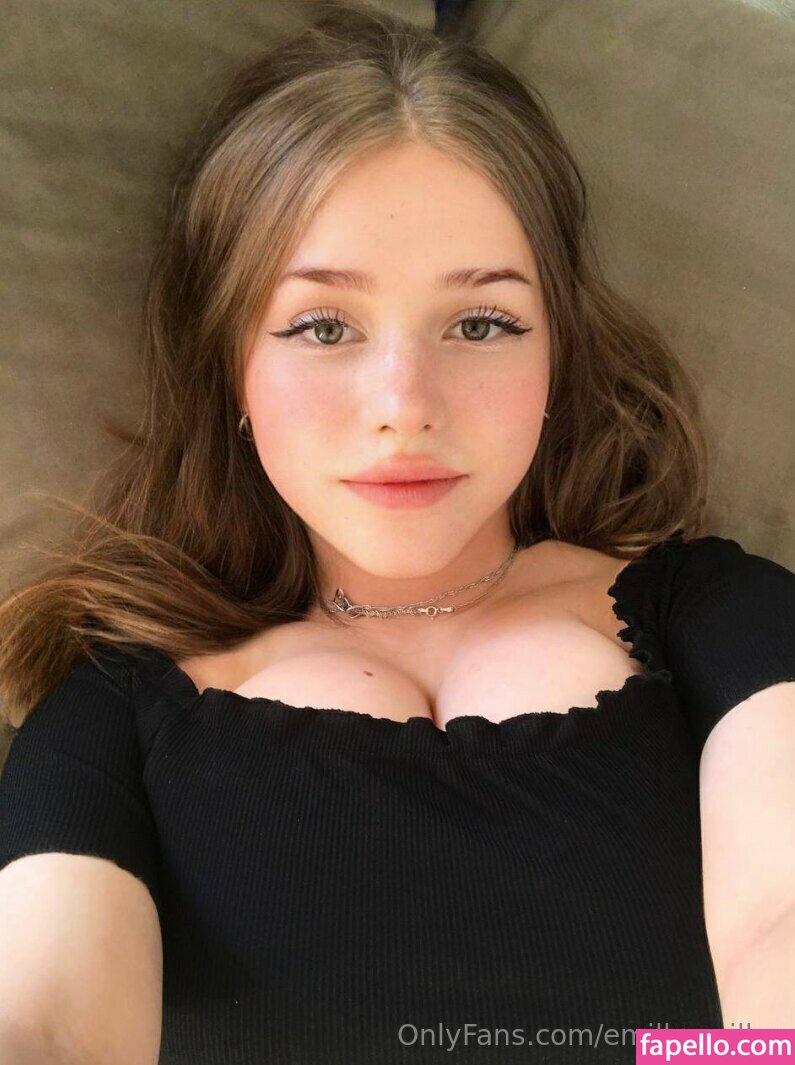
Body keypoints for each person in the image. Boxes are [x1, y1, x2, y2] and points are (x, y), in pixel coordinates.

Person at [0, 3, 793, 1063]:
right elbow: (50, 1024)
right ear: (229, 364)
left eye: (481, 323)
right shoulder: (113, 709)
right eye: (324, 326)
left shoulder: (721, 614)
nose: (405, 404)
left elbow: (780, 934)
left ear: (556, 352)